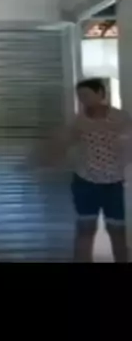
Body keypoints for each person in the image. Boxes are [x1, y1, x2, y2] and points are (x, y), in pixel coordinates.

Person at [57, 79, 131, 262]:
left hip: (114, 184)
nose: (83, 99)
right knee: (85, 230)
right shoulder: (78, 121)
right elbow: (64, 144)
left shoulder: (121, 118)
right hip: (85, 182)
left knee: (117, 232)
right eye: (80, 96)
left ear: (100, 94)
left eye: (86, 94)